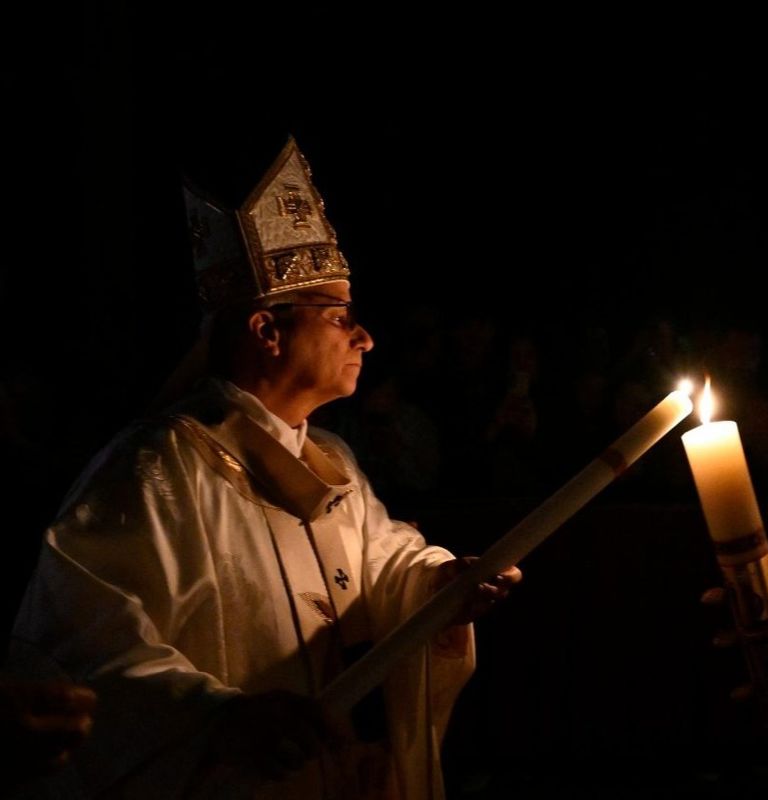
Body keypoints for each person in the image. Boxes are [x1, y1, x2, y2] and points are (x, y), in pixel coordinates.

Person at [7, 137, 520, 799]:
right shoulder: (160, 470)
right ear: (266, 332)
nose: (363, 337)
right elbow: (82, 647)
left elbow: (382, 565)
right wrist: (217, 718)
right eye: (339, 317)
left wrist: (442, 583)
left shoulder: (330, 460)